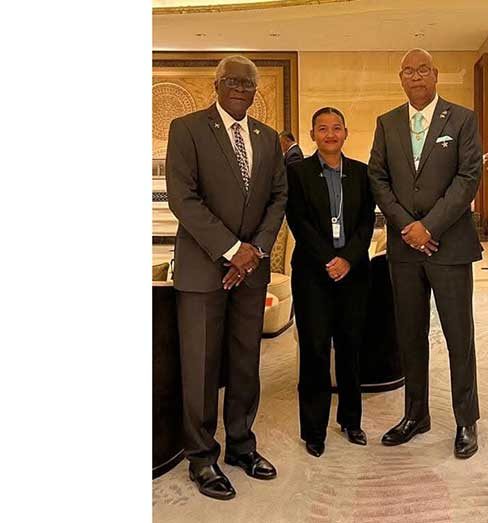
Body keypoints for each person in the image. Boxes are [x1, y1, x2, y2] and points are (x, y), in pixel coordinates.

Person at [166, 55, 287, 501]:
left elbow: (278, 197)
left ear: (256, 91)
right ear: (215, 85)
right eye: (232, 80)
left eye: (248, 83)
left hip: (251, 273)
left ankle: (240, 445)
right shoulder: (188, 128)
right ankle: (201, 457)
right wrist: (233, 250)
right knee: (200, 367)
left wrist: (254, 252)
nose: (240, 88)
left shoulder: (267, 137)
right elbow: (184, 198)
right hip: (203, 272)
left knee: (244, 363)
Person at [368, 48, 483, 459]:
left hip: (449, 246)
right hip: (404, 249)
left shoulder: (463, 119)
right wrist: (407, 228)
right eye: (408, 71)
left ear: (435, 75)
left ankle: (466, 420)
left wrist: (428, 226)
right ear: (401, 78)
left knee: (458, 336)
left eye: (423, 69)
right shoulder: (387, 122)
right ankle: (415, 414)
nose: (416, 76)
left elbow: (469, 178)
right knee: (410, 335)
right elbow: (377, 178)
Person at [285, 107, 375, 457]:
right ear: (312, 135)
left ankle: (351, 421)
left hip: (354, 275)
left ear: (346, 133)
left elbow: (366, 223)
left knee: (351, 349)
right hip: (313, 275)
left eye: (336, 128)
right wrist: (328, 260)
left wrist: (348, 259)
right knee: (315, 350)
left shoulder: (362, 173)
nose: (330, 134)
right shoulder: (298, 173)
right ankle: (314, 430)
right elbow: (299, 221)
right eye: (322, 128)